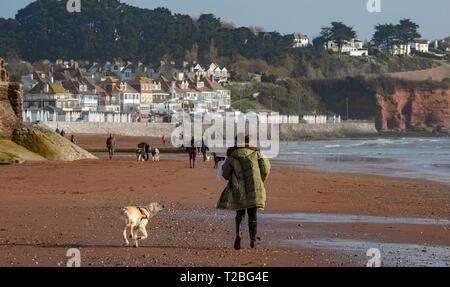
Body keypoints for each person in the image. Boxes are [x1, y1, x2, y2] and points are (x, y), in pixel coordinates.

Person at [216, 134, 271, 250]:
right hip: (254, 187)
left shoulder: (232, 156)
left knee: (240, 214)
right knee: (253, 215)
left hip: (238, 188)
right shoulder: (256, 154)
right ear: (248, 141)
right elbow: (266, 168)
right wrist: (261, 180)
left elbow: (225, 173)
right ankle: (253, 239)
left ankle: (239, 234)